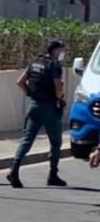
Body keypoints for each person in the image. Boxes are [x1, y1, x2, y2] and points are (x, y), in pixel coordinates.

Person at [8, 39, 68, 188]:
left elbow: (20, 82)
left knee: (27, 139)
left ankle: (14, 170)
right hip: (49, 107)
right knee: (55, 142)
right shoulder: (54, 65)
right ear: (55, 50)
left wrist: (30, 93)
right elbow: (58, 87)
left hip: (34, 105)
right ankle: (52, 175)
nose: (62, 53)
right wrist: (60, 99)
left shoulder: (35, 62)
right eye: (60, 50)